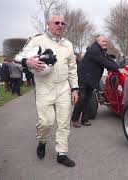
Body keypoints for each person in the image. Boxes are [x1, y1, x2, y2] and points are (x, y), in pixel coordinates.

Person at [14, 13, 79, 167]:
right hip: (44, 87)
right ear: (48, 24)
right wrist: (27, 61)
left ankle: (62, 153)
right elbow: (17, 58)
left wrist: (74, 88)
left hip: (63, 87)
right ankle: (42, 141)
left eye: (63, 23)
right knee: (46, 122)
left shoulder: (68, 44)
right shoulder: (37, 40)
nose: (60, 26)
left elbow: (72, 68)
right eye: (56, 22)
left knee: (63, 123)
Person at [71, 35, 127, 128]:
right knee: (82, 98)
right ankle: (75, 119)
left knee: (88, 99)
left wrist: (119, 67)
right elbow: (104, 62)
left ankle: (85, 119)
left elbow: (109, 59)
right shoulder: (94, 50)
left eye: (106, 41)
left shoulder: (101, 50)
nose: (105, 43)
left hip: (91, 78)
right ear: (97, 42)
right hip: (83, 77)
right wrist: (118, 70)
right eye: (103, 41)